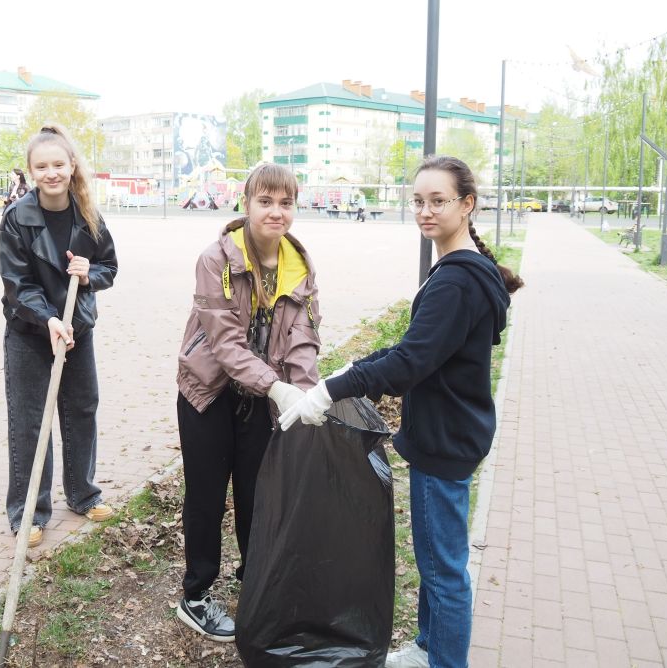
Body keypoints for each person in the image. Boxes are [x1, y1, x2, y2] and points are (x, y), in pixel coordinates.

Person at [279, 155, 523, 668]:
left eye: (439, 201)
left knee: (443, 571)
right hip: (451, 433)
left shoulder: (457, 281)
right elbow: (417, 349)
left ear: (467, 205)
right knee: (437, 562)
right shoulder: (465, 271)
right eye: (418, 201)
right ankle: (429, 647)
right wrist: (350, 370)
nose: (426, 212)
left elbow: (409, 363)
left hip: (444, 441)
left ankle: (444, 661)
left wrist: (329, 391)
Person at [175, 163, 322, 642]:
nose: (276, 212)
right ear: (246, 204)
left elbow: (302, 339)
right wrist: (277, 388)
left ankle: (255, 582)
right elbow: (225, 343)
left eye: (286, 203)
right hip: (208, 393)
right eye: (266, 201)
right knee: (207, 495)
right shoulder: (215, 260)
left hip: (261, 400)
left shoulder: (300, 266)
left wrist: (304, 392)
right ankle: (196, 595)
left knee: (258, 497)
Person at [0, 124, 118, 549]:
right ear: (30, 172)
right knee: (31, 422)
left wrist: (88, 276)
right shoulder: (17, 218)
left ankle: (83, 494)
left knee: (82, 409)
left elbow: (109, 268)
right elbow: (17, 282)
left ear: (71, 167)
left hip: (77, 330)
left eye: (58, 164)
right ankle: (29, 511)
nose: (51, 172)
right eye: (42, 166)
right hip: (31, 331)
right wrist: (47, 318)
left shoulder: (88, 213)